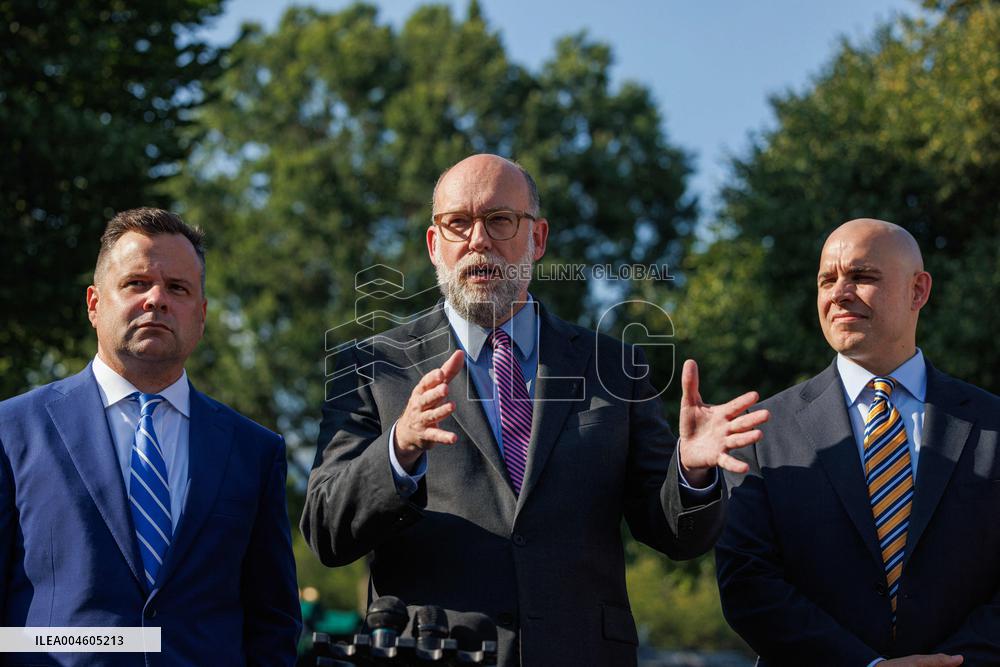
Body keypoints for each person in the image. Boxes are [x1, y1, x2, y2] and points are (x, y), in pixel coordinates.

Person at [302, 154, 769, 666]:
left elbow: (675, 536)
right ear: (436, 246)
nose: (478, 240)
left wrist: (692, 472)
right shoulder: (373, 367)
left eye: (500, 220)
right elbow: (326, 532)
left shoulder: (614, 367)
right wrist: (399, 450)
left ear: (538, 240)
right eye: (458, 223)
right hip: (434, 653)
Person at [0, 208, 302, 665]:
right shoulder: (13, 431)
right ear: (94, 303)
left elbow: (272, 621)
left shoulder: (254, 451)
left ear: (200, 316)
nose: (157, 299)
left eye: (177, 288)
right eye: (136, 283)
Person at [715, 218, 1000, 666]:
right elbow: (748, 583)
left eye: (863, 277)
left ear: (918, 291)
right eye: (827, 280)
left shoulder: (992, 425)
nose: (839, 293)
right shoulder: (759, 430)